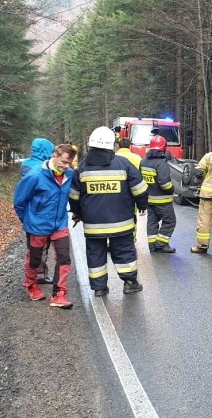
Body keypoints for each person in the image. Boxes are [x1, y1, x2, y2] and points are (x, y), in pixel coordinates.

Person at [69, 127, 148, 296]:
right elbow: (140, 189)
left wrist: (78, 213)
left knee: (95, 254)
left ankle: (99, 288)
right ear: (112, 145)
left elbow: (74, 196)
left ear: (91, 145)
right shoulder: (123, 164)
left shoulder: (81, 168)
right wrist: (142, 205)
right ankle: (130, 283)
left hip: (93, 225)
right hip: (121, 223)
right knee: (124, 252)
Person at [13, 143, 77, 308]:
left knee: (64, 257)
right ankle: (31, 284)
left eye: (69, 163)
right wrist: (27, 220)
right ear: (54, 156)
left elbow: (75, 195)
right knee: (35, 259)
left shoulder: (69, 175)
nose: (65, 166)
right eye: (63, 161)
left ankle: (59, 294)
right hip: (37, 226)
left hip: (60, 224)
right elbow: (19, 201)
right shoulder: (35, 176)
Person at [20, 138, 56, 285]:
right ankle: (38, 275)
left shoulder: (25, 164)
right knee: (42, 246)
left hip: (30, 213)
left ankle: (34, 275)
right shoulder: (44, 167)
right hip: (44, 213)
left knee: (33, 246)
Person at [140, 135, 177, 253]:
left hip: (149, 200)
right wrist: (172, 189)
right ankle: (161, 243)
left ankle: (152, 245)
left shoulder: (143, 161)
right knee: (170, 221)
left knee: (152, 222)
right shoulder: (161, 164)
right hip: (162, 200)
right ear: (163, 148)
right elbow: (165, 184)